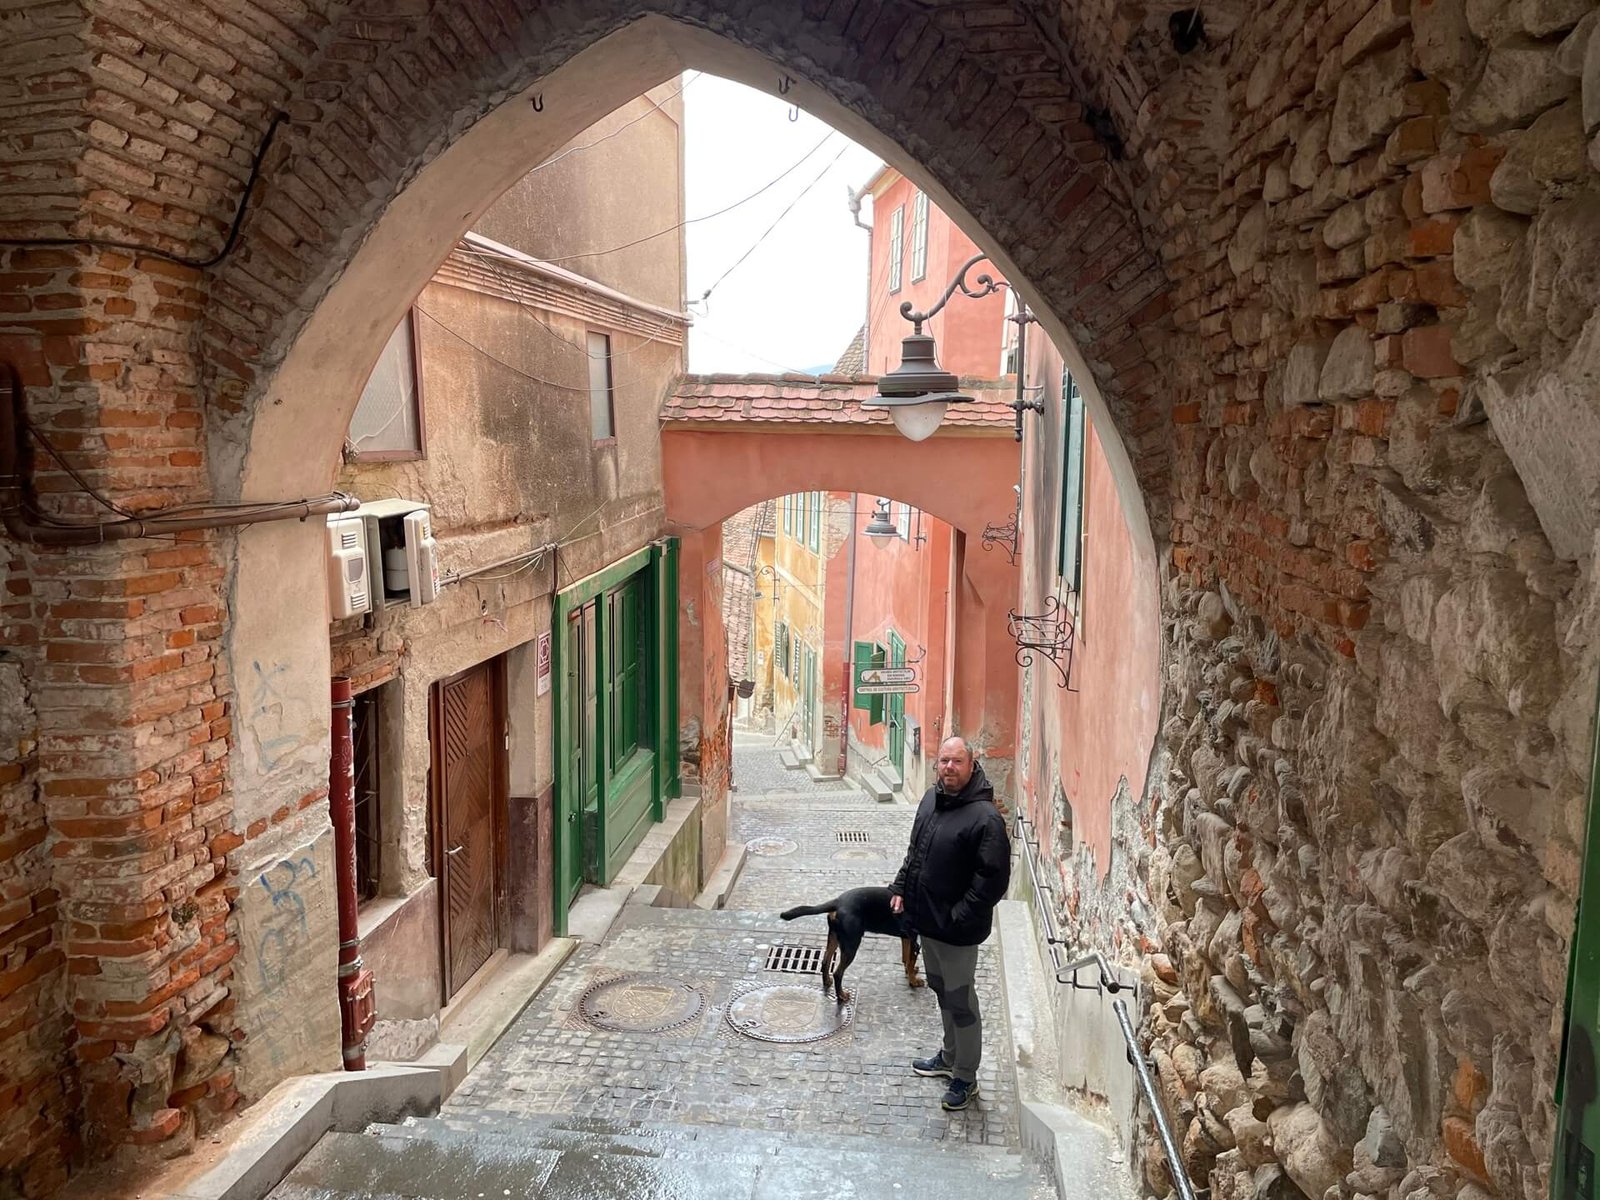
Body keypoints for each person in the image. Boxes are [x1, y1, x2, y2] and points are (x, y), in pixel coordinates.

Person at [888, 736, 1011, 1111]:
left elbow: (992, 880)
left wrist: (959, 916)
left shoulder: (986, 818)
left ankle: (966, 1077)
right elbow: (916, 851)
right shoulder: (931, 800)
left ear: (971, 765)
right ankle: (948, 1056)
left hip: (957, 932)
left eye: (956, 762)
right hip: (928, 921)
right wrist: (899, 886)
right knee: (941, 991)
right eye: (943, 761)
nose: (948, 768)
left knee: (961, 1003)